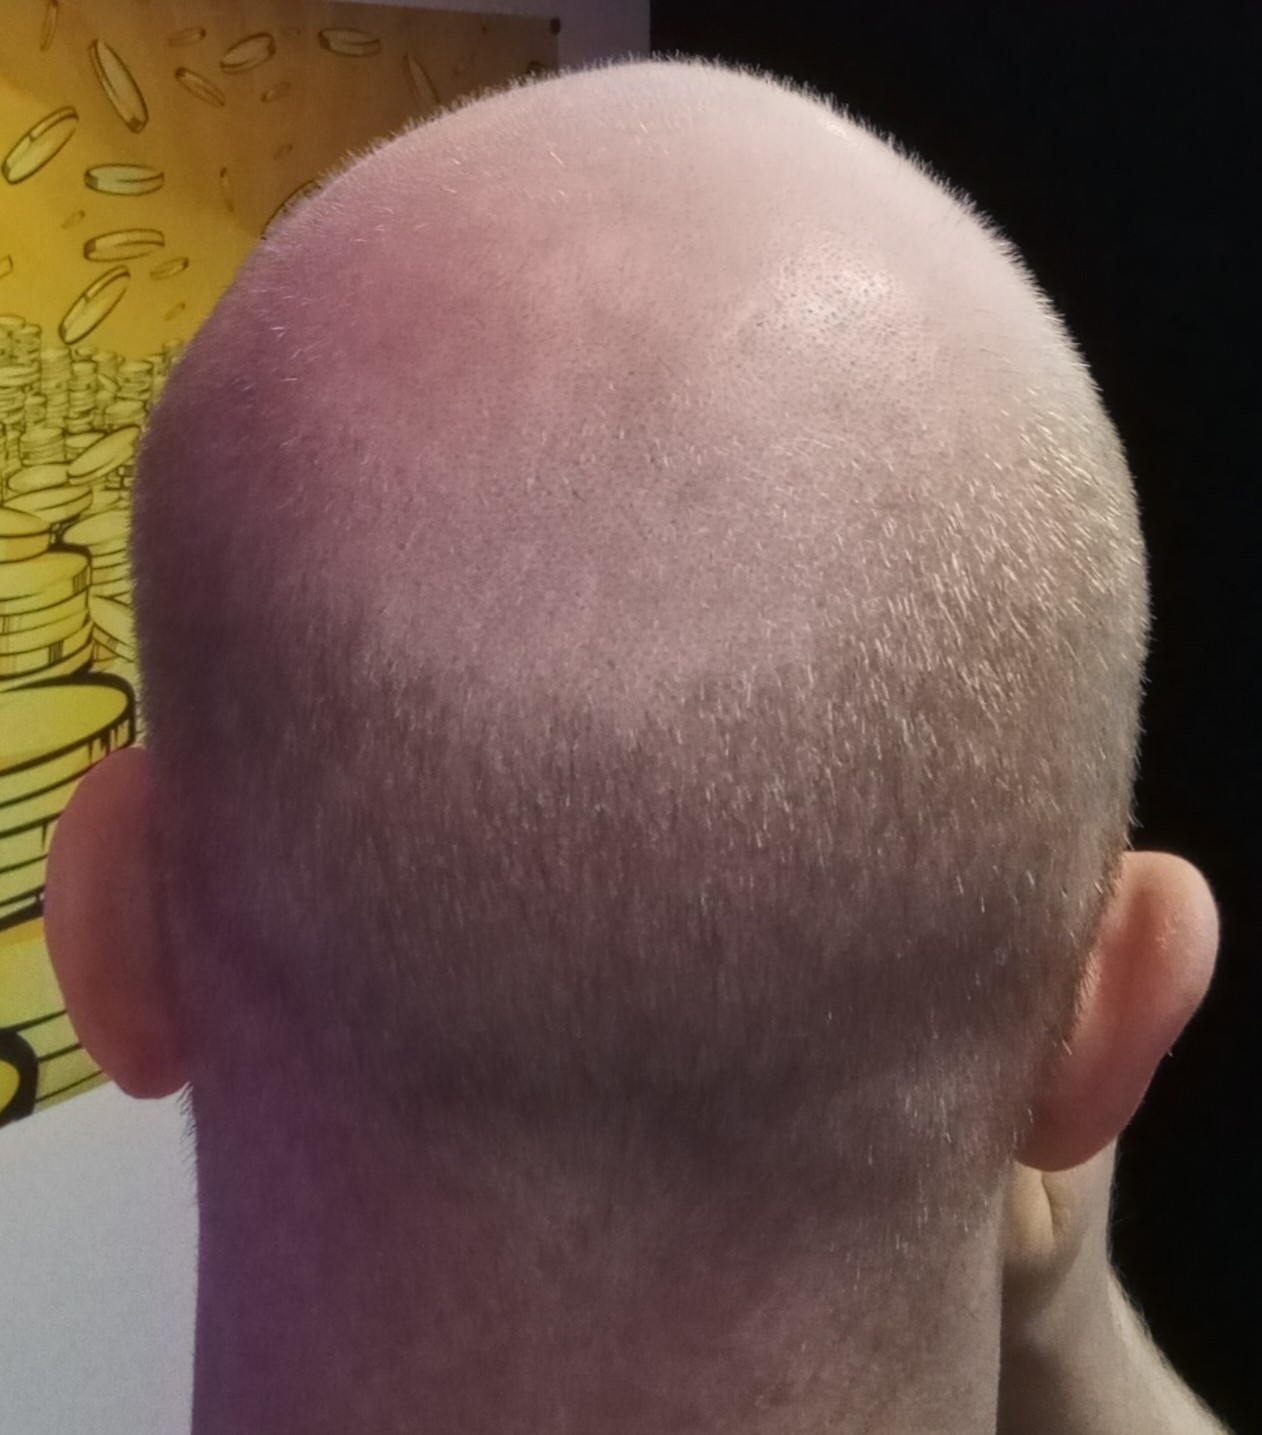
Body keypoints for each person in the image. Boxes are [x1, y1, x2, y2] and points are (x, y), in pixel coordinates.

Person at [42, 52, 1231, 1435]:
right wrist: (1072, 1332)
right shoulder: (1087, 1078)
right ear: (1120, 1011)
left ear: (108, 928)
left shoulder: (122, 926)